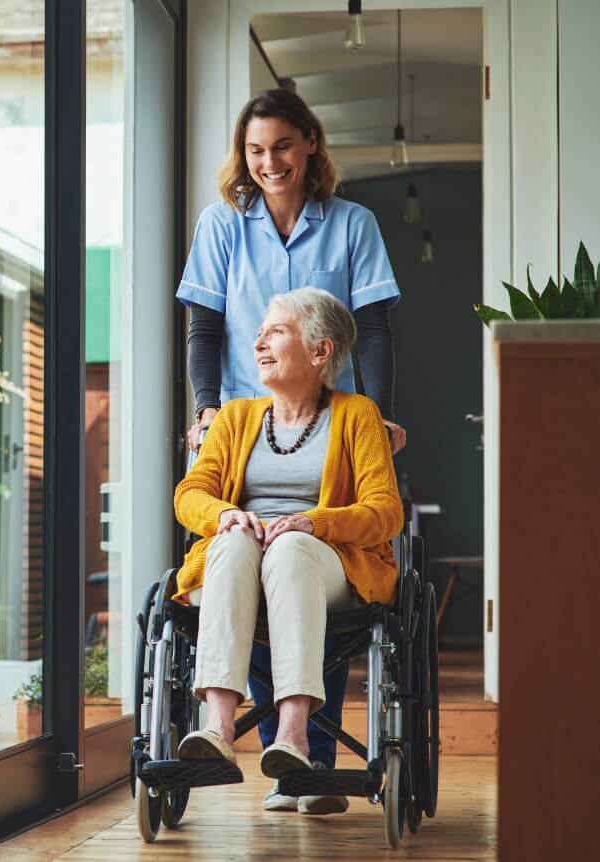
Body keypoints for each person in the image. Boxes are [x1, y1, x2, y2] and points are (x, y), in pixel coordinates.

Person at [176, 88, 405, 814]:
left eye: (281, 146)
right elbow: (204, 329)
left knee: (299, 555)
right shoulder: (222, 225)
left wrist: (376, 415)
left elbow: (373, 329)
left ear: (309, 143)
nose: (268, 162)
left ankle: (308, 755)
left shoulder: (352, 224)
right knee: (239, 551)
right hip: (248, 419)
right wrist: (208, 411)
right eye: (255, 150)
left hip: (327, 425)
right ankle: (254, 739)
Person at [174, 288, 402, 795]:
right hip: (241, 561)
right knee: (232, 540)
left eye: (275, 332)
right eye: (258, 333)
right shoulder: (234, 417)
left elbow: (385, 511)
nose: (259, 343)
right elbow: (190, 494)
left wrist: (313, 524)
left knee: (290, 548)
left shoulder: (358, 414)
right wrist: (226, 514)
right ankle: (218, 727)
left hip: (325, 562)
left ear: (321, 351)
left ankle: (294, 734)